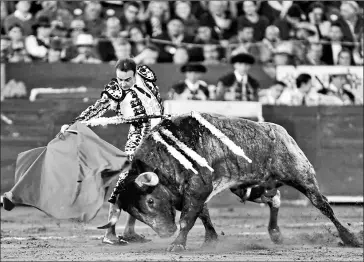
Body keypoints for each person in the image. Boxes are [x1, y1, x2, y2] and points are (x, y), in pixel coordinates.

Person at [59, 58, 164, 245]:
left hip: (161, 134)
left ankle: (130, 230)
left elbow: (156, 100)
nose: (123, 84)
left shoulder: (146, 74)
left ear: (135, 74)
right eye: (120, 79)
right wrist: (76, 123)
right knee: (125, 182)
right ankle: (109, 233)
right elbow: (97, 108)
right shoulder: (115, 90)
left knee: (146, 183)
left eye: (127, 80)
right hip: (139, 136)